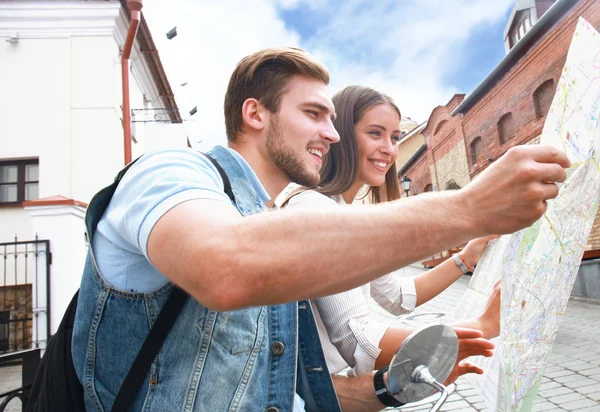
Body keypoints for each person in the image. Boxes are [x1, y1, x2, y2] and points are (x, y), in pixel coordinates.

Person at [71, 47, 570, 412]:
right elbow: (225, 266)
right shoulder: (168, 172)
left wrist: (394, 386)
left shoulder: (274, 229)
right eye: (313, 113)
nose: (332, 134)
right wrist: (471, 208)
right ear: (255, 114)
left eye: (333, 119)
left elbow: (299, 390)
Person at [282, 85, 501, 378]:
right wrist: (482, 327)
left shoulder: (343, 213)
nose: (389, 148)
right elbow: (359, 342)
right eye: (375, 133)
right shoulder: (314, 209)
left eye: (395, 137)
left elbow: (399, 296)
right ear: (342, 135)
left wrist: (466, 257)